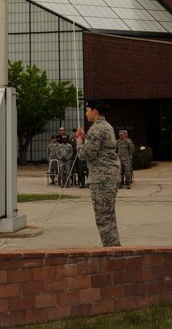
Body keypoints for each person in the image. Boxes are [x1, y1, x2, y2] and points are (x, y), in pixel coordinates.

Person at [75, 99, 120, 247]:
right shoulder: (106, 126)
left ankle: (111, 252)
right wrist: (84, 138)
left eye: (87, 110)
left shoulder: (96, 128)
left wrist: (79, 142)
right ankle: (114, 249)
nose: (86, 113)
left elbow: (86, 154)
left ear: (95, 111)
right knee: (109, 216)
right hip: (109, 176)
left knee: (103, 218)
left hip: (102, 178)